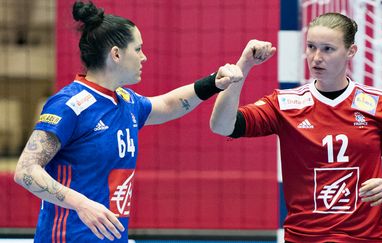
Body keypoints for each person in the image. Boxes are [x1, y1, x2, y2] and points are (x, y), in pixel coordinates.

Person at [13, 1, 243, 242]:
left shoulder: (126, 100)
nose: (144, 57)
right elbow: (25, 170)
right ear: (116, 54)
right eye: (138, 49)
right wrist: (81, 204)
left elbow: (167, 105)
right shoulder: (69, 104)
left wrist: (214, 83)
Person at [210, 13, 382, 242]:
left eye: (328, 49)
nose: (316, 57)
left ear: (351, 51)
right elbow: (221, 126)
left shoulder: (377, 103)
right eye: (311, 47)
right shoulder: (285, 104)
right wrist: (243, 66)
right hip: (305, 238)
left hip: (366, 238)